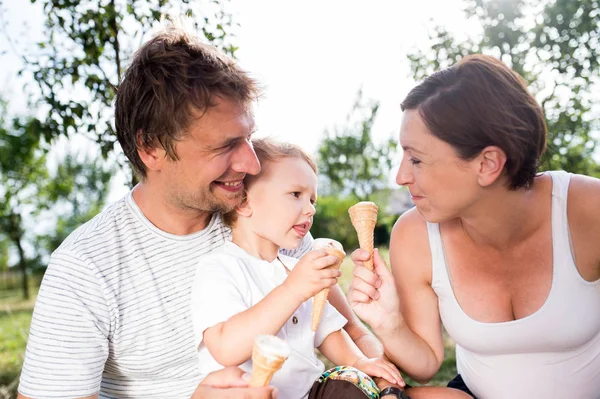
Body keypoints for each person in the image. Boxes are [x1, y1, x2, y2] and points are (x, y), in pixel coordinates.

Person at [17, 20, 382, 399]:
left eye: (248, 138)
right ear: (151, 148)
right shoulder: (86, 268)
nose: (251, 164)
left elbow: (351, 335)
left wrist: (380, 385)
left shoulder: (266, 221)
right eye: (225, 146)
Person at [347, 53, 600, 399]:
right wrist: (389, 323)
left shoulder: (588, 211)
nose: (401, 176)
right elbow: (426, 362)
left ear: (487, 164)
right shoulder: (415, 234)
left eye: (417, 159)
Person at [190, 138, 403, 399]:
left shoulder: (297, 269)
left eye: (312, 199)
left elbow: (328, 332)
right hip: (251, 394)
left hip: (310, 393)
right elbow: (225, 347)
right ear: (244, 201)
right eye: (296, 195)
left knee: (350, 387)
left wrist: (359, 362)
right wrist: (292, 291)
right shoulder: (219, 268)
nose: (311, 209)